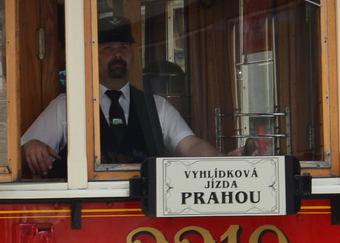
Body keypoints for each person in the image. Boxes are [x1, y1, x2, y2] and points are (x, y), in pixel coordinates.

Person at [21, 16, 216, 175]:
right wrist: (32, 145)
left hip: (144, 212)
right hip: (87, 212)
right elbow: (25, 149)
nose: (117, 55)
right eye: (108, 48)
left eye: (124, 47)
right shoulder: (67, 107)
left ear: (132, 55)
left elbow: (189, 145)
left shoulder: (156, 106)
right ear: (92, 55)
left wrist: (224, 163)